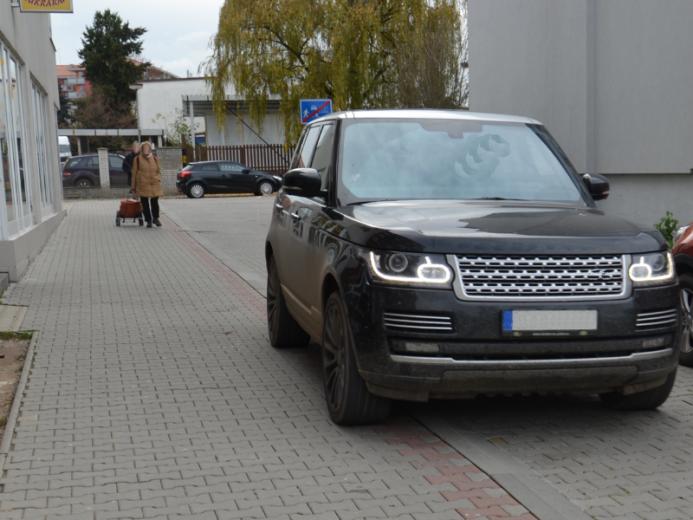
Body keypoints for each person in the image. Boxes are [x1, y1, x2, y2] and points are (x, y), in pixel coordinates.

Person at [131, 141, 163, 228]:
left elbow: (159, 171)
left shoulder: (155, 158)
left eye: (147, 148)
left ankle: (155, 218)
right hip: (143, 185)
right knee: (145, 204)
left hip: (154, 184)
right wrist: (133, 187)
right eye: (144, 148)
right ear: (141, 149)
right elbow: (134, 173)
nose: (146, 149)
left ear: (150, 149)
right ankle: (148, 220)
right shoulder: (137, 159)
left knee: (155, 202)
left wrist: (158, 178)